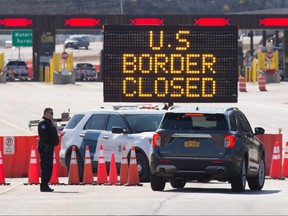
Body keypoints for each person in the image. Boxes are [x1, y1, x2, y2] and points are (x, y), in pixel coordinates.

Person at [38, 108, 59, 192]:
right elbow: (44, 136)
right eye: (51, 113)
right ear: (46, 113)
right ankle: (44, 185)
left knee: (49, 167)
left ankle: (45, 185)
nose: (52, 115)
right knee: (46, 167)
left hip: (49, 148)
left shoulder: (49, 123)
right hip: (45, 148)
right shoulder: (43, 123)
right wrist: (52, 142)